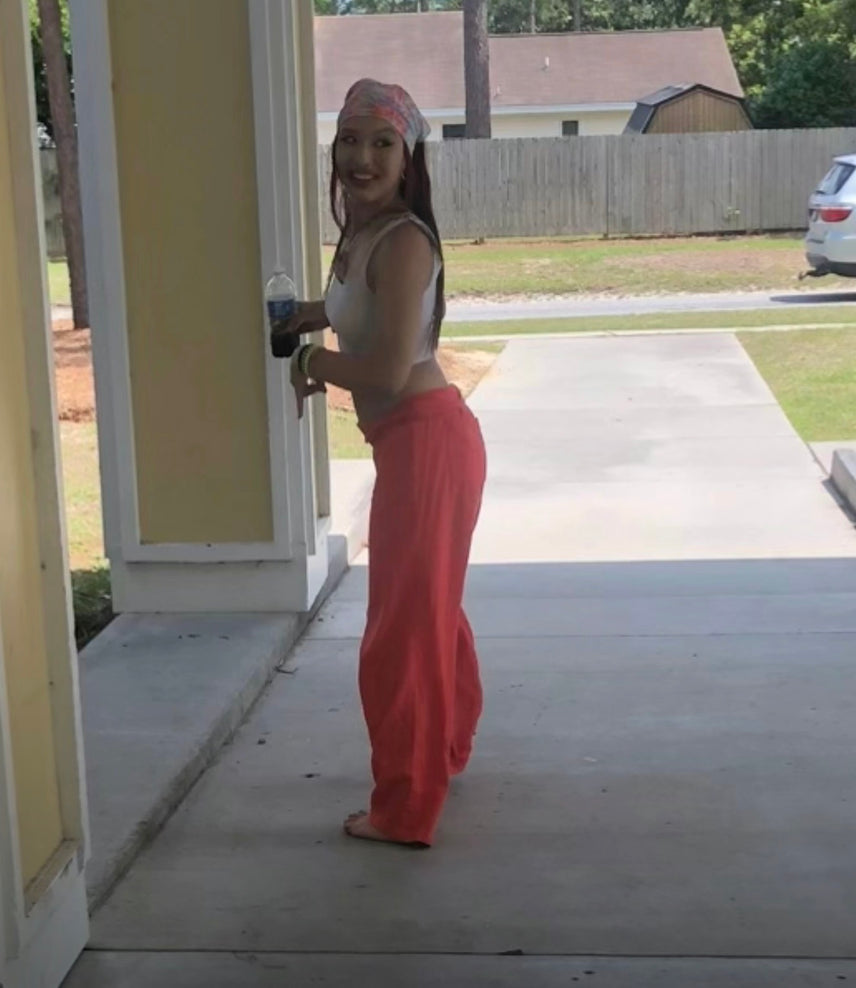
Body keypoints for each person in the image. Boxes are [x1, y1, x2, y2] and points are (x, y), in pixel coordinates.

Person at [274, 79, 487, 848]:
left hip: (427, 446)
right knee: (430, 618)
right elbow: (355, 314)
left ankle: (406, 807)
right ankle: (444, 752)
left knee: (401, 636)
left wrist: (310, 362)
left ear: (408, 157)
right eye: (349, 140)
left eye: (382, 143)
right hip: (413, 447)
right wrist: (310, 315)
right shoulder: (363, 235)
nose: (361, 157)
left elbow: (391, 370)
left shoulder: (403, 242)